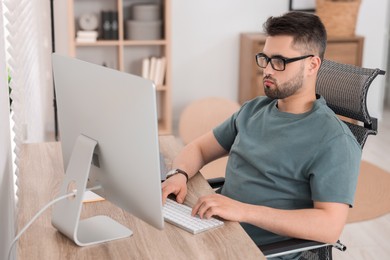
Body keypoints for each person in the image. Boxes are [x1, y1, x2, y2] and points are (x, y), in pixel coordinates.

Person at [161, 11, 361, 255]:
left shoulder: (334, 140)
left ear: (312, 65)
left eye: (279, 62)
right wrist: (178, 174)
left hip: (255, 250)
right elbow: (199, 148)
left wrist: (242, 210)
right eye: (265, 59)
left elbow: (329, 227)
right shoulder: (254, 110)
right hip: (212, 228)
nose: (267, 70)